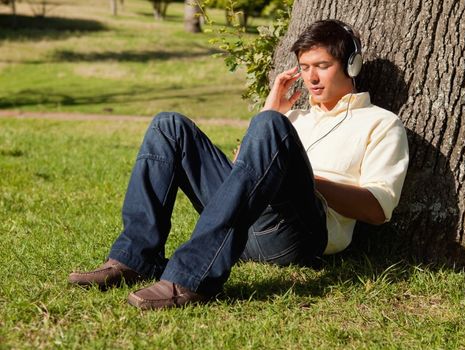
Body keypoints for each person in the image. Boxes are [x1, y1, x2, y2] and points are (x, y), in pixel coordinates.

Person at [68, 19, 409, 310]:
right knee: (168, 125)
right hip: (247, 228)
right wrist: (269, 111)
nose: (312, 78)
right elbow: (241, 172)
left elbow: (377, 209)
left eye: (322, 66)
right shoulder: (293, 117)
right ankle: (132, 259)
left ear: (352, 65)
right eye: (305, 68)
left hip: (298, 237)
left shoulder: (380, 123)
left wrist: (304, 178)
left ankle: (192, 277)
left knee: (271, 128)